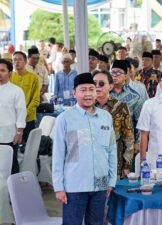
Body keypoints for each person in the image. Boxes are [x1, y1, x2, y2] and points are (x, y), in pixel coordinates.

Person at [52, 72, 117, 225]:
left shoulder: (105, 117)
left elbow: (111, 150)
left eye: (91, 89)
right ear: (74, 93)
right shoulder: (65, 118)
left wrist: (111, 180)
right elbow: (58, 154)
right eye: (83, 90)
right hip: (74, 184)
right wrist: (59, 187)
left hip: (100, 183)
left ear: (96, 92)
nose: (88, 94)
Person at [93, 70, 135, 178]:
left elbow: (129, 138)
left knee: (110, 192)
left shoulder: (121, 107)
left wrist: (127, 165)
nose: (97, 87)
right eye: (94, 84)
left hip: (115, 160)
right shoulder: (87, 107)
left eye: (101, 84)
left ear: (111, 86)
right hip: (92, 161)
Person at [0, 59, 26, 174]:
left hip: (9, 135)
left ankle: (14, 191)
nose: (0, 73)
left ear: (9, 73)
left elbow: (21, 112)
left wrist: (19, 132)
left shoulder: (16, 91)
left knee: (11, 166)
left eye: (2, 70)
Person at [10, 51, 40, 142]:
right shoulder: (10, 77)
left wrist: (24, 112)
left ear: (25, 61)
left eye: (19, 59)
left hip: (28, 117)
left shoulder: (33, 78)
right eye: (14, 60)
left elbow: (36, 99)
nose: (16, 62)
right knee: (13, 143)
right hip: (12, 118)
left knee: (29, 145)